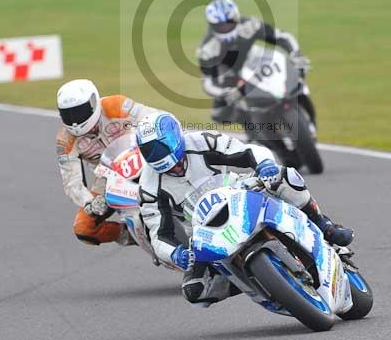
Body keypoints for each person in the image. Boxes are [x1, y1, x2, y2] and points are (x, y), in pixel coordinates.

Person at [136, 112, 353, 307]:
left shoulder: (202, 141)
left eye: (172, 157)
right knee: (195, 290)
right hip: (204, 230)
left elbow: (249, 151)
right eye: (152, 153)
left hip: (239, 192)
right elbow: (159, 235)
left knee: (284, 176)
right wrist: (176, 254)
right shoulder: (149, 187)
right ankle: (257, 281)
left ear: (177, 135)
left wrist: (264, 165)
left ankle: (324, 225)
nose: (173, 167)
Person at [56, 79, 155, 247]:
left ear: (93, 103)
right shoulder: (65, 141)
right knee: (84, 228)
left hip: (143, 159)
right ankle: (132, 235)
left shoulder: (115, 104)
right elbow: (72, 182)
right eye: (68, 114)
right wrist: (89, 202)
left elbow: (153, 118)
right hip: (108, 179)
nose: (75, 120)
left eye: (80, 112)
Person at [197, 0, 304, 124]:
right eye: (220, 25)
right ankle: (250, 123)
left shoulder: (250, 24)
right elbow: (207, 83)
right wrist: (224, 93)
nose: (226, 27)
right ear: (212, 25)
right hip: (230, 75)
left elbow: (281, 36)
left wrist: (295, 53)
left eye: (229, 22)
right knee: (219, 115)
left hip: (256, 61)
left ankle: (295, 94)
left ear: (236, 18)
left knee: (294, 68)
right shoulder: (207, 49)